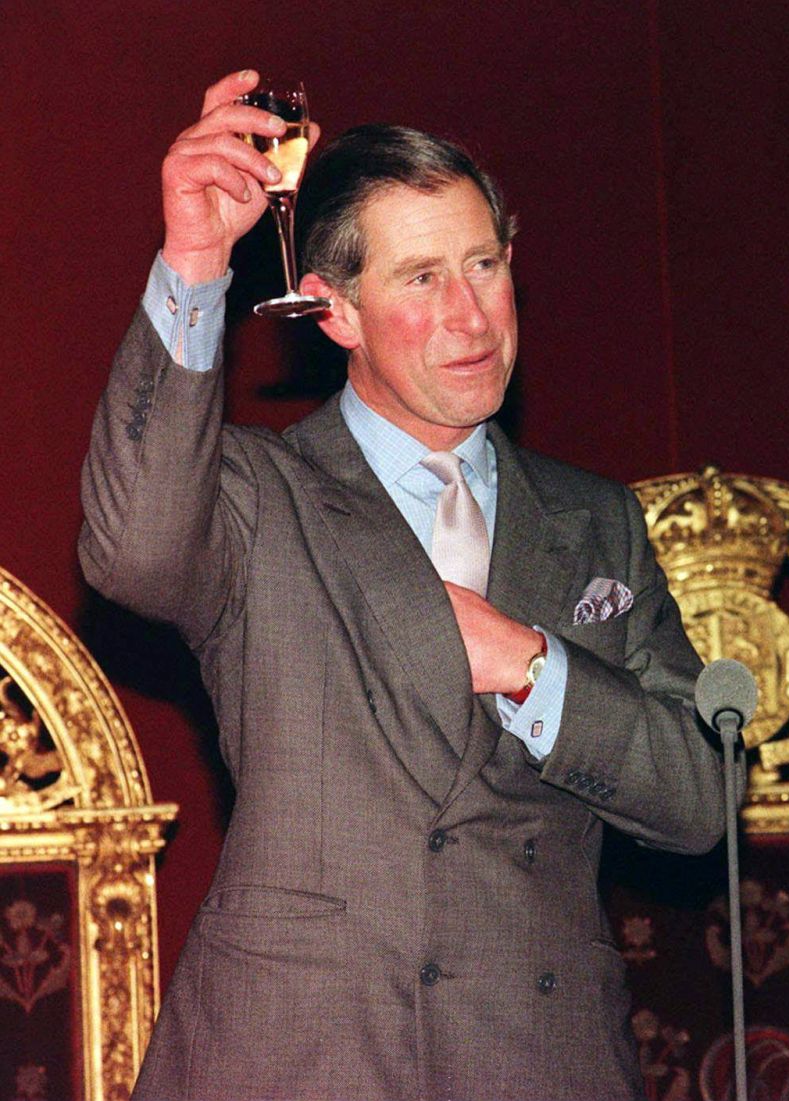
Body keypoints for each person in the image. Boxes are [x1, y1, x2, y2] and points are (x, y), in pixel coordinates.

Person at [79, 71, 734, 1101]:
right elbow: (130, 550)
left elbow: (701, 799)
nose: (470, 315)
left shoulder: (594, 520)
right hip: (297, 1056)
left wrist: (530, 667)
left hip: (532, 1056)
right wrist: (196, 261)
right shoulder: (258, 494)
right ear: (334, 311)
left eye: (484, 264)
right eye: (421, 279)